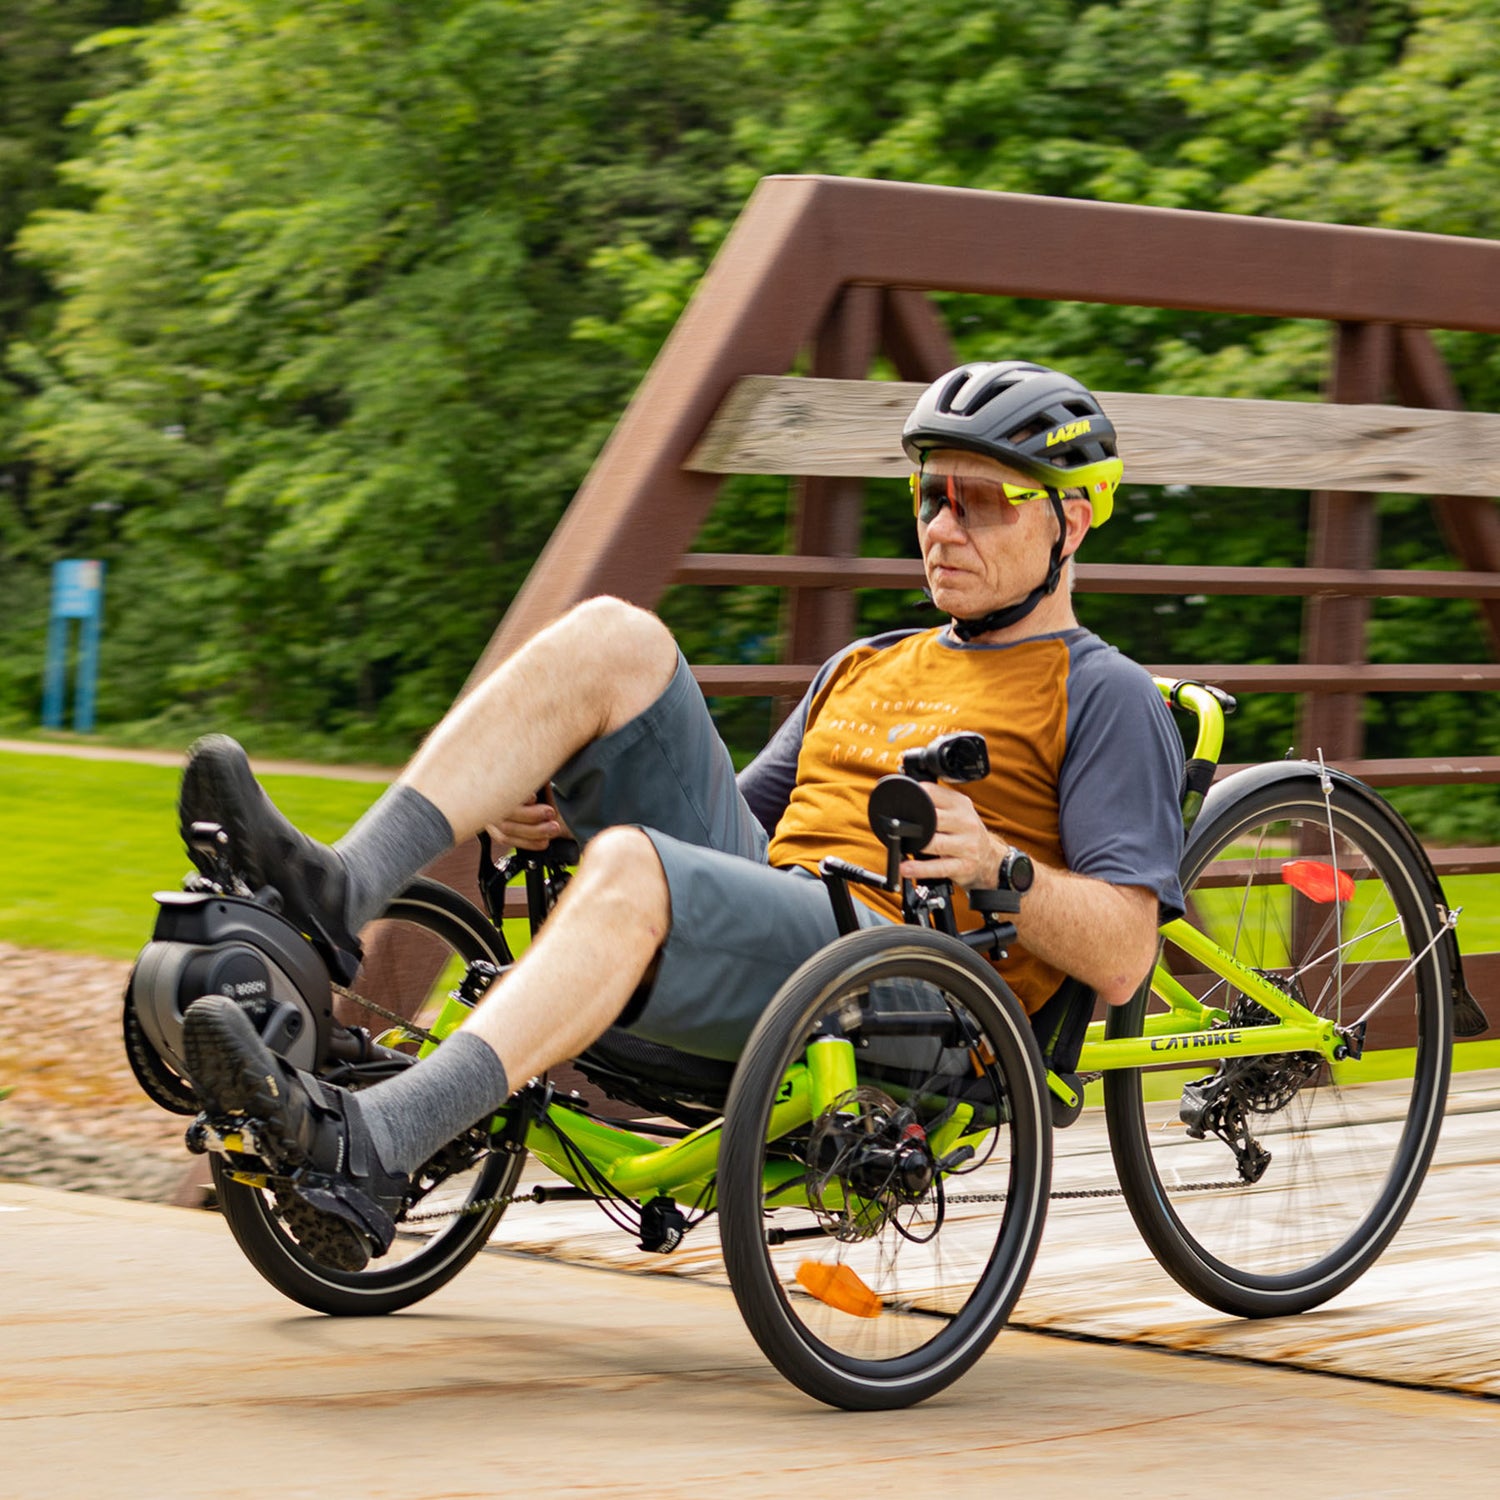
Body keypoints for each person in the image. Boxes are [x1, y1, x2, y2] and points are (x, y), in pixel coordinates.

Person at [178, 359, 1186, 1271]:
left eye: (984, 501)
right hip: (782, 925)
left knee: (631, 866)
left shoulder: (1104, 695)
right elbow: (730, 826)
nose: (943, 526)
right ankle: (334, 888)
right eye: (930, 493)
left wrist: (994, 863)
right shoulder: (865, 664)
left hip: (906, 994)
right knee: (614, 635)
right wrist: (561, 813)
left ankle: (381, 1143)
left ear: (1072, 520)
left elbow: (1123, 955)